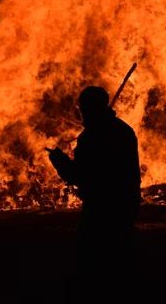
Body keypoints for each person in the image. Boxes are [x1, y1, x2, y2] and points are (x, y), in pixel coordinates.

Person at [46, 86, 141, 274]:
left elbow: (79, 175)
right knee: (122, 258)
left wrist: (59, 160)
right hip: (126, 203)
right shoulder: (123, 130)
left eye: (83, 108)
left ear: (90, 108)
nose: (81, 112)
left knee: (92, 261)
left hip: (100, 207)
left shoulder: (92, 137)